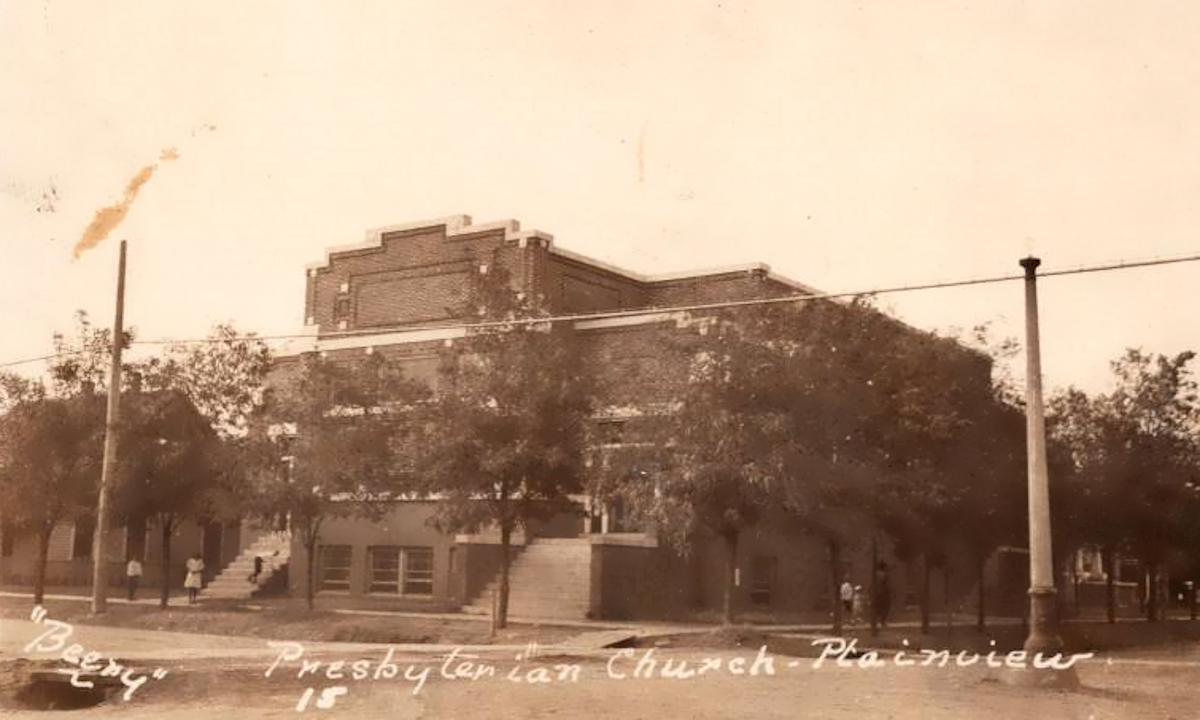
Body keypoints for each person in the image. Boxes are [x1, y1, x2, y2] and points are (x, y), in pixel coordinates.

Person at [872, 562, 892, 628]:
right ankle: (882, 621)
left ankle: (877, 621)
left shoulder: (875, 574)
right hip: (883, 592)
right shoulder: (884, 574)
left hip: (877, 592)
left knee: (878, 607)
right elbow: (886, 583)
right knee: (885, 607)